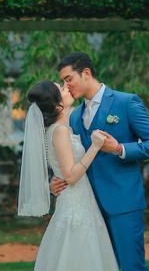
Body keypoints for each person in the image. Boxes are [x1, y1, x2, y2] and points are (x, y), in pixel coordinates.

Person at [52, 52, 149, 271]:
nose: (66, 86)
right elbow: (72, 157)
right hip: (88, 207)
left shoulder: (126, 102)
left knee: (130, 266)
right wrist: (55, 182)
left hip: (123, 203)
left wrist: (119, 148)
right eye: (63, 81)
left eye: (68, 79)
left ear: (86, 73)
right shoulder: (75, 116)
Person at [19, 81, 119, 271]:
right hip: (75, 204)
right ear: (58, 106)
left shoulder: (61, 129)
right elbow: (71, 176)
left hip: (79, 201)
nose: (67, 87)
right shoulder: (60, 131)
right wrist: (95, 146)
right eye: (62, 89)